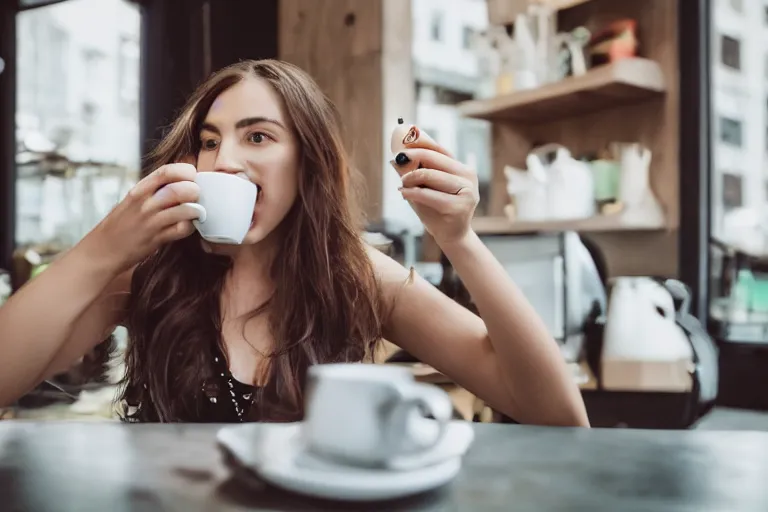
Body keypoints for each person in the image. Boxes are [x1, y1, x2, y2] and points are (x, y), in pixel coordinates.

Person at [0, 59, 589, 426]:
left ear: (307, 165)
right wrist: (104, 248)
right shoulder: (153, 273)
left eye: (257, 136)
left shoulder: (357, 278)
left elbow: (557, 414)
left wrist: (460, 239)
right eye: (209, 141)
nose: (224, 160)